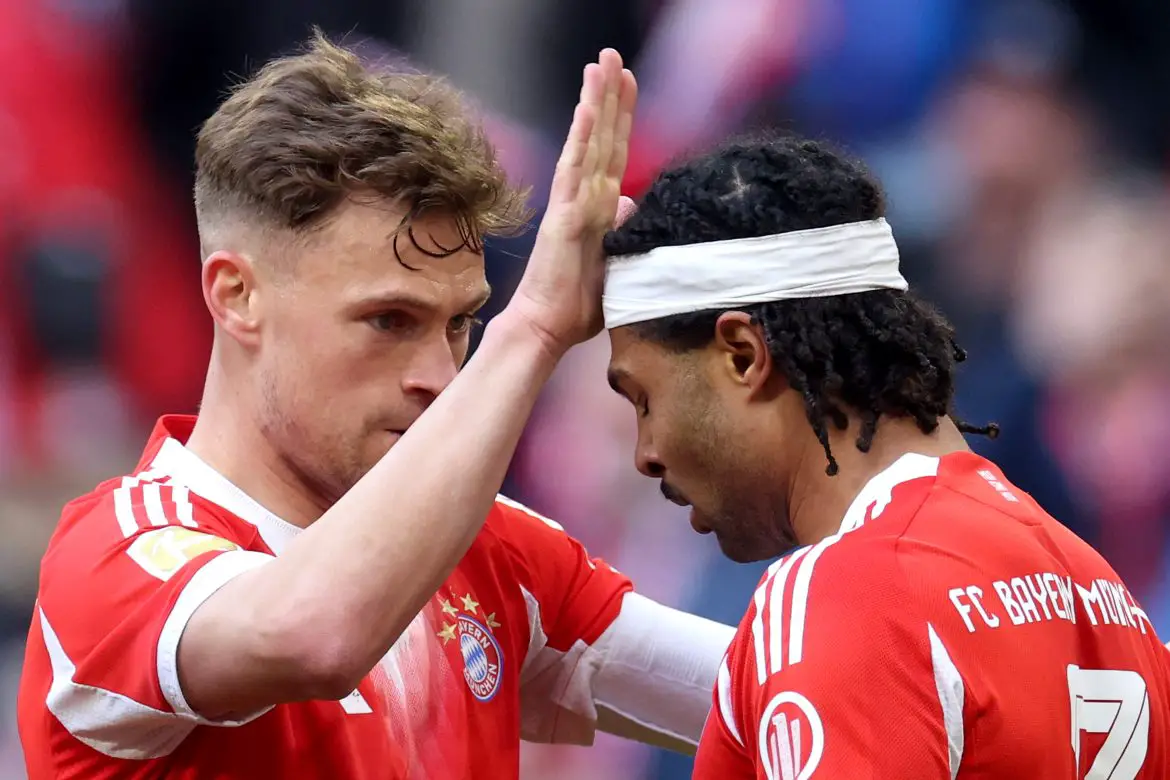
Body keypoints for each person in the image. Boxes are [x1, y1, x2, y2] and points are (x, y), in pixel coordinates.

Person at [17, 34, 734, 779]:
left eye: (460, 324)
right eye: (389, 321)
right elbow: (315, 637)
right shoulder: (116, 554)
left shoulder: (488, 546)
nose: (439, 376)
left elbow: (770, 691)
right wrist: (533, 331)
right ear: (237, 295)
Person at [599, 133, 1170, 778]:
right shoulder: (1103, 596)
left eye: (643, 399)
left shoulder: (843, 596)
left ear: (742, 355)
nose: (646, 454)